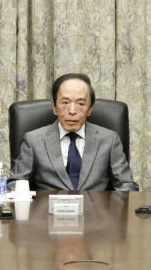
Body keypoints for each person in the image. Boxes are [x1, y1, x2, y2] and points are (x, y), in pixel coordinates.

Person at [10, 73, 138, 192]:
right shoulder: (33, 140)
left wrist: (110, 211)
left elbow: (126, 185)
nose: (72, 111)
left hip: (96, 213)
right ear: (54, 107)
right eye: (65, 102)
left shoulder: (109, 139)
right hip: (48, 213)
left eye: (80, 103)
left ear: (89, 110)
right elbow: (15, 183)